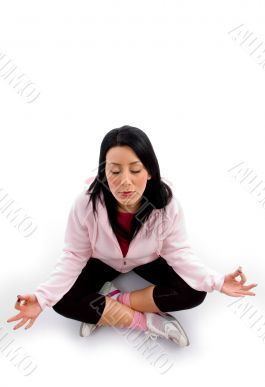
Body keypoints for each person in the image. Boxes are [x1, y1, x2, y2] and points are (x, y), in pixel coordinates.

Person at [6, 125, 258, 347]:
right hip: (101, 261)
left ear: (149, 171)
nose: (125, 182)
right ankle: (146, 322)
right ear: (104, 174)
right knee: (60, 301)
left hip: (147, 259)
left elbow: (179, 253)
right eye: (115, 171)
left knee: (195, 291)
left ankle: (112, 301)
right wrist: (42, 298)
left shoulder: (166, 205)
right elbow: (73, 255)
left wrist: (216, 281)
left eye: (135, 170)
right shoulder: (85, 204)